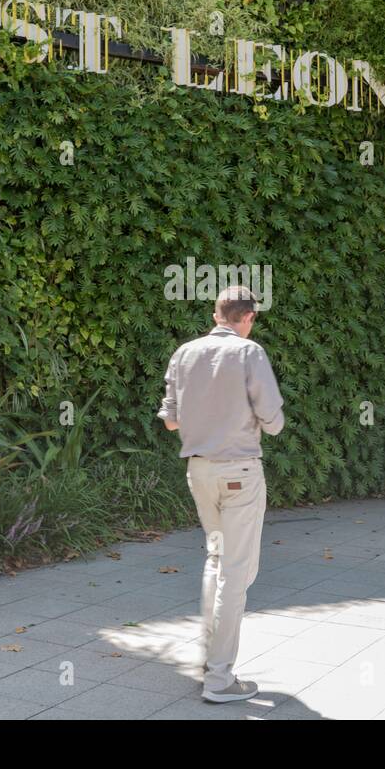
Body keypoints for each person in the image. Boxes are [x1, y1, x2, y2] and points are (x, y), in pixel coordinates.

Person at [157, 285, 284, 703]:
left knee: (216, 561)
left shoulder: (184, 353)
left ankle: (210, 662)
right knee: (236, 573)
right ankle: (219, 679)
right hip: (239, 473)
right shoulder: (251, 354)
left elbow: (170, 422)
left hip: (199, 472)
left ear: (216, 316)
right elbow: (273, 421)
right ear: (248, 317)